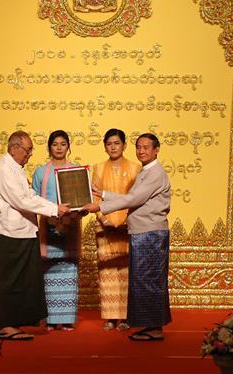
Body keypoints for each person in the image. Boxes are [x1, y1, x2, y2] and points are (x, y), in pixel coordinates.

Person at [84, 133, 171, 341]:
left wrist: (100, 205)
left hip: (150, 232)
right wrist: (103, 194)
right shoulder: (146, 171)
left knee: (149, 280)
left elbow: (134, 198)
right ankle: (151, 325)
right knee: (144, 279)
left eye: (146, 147)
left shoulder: (155, 172)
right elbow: (131, 198)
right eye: (139, 147)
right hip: (143, 232)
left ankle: (155, 328)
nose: (141, 151)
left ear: (156, 149)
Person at [0, 130, 69, 341]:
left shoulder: (15, 168)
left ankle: (16, 322)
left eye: (31, 150)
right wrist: (54, 210)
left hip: (22, 232)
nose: (30, 154)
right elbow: (21, 201)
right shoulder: (5, 169)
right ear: (14, 149)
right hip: (9, 234)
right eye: (27, 150)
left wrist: (55, 207)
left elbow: (29, 195)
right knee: (9, 279)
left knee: (23, 279)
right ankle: (6, 325)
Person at [90, 128, 141, 331]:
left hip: (129, 227)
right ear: (104, 146)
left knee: (128, 273)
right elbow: (94, 197)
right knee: (108, 273)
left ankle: (128, 316)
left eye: (117, 143)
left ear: (124, 145)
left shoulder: (136, 168)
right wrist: (104, 219)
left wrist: (125, 220)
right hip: (105, 228)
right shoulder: (99, 168)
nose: (113, 147)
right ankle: (110, 317)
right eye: (109, 143)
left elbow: (136, 198)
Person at [31, 130, 82, 331]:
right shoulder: (40, 172)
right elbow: (33, 200)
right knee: (49, 271)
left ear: (68, 146)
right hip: (48, 225)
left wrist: (76, 214)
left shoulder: (76, 170)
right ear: (49, 147)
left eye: (63, 144)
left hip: (71, 225)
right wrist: (51, 215)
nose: (59, 148)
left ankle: (68, 319)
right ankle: (51, 319)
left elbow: (82, 200)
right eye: (55, 144)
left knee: (69, 270)